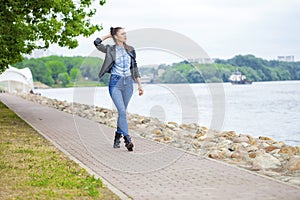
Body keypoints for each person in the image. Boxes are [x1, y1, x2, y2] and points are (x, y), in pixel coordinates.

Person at [94, 27, 144, 151]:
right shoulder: (110, 49)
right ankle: (127, 139)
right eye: (122, 34)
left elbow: (134, 68)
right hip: (115, 83)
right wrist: (108, 35)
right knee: (121, 111)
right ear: (116, 36)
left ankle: (117, 136)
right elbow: (96, 42)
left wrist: (139, 85)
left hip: (128, 83)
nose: (125, 36)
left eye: (125, 33)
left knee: (122, 113)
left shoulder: (130, 50)